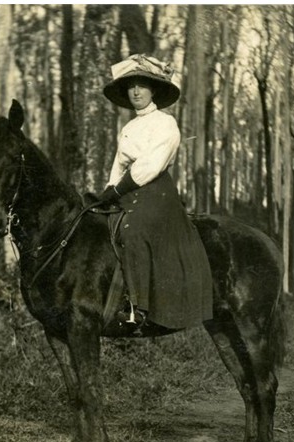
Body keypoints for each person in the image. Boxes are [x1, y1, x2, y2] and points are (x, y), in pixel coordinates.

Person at [97, 54, 213, 331]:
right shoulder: (128, 128)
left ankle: (139, 308)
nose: (136, 91)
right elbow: (118, 164)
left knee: (133, 229)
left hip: (155, 190)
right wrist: (108, 191)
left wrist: (119, 189)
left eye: (142, 85)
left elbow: (151, 164)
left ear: (154, 90)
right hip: (127, 190)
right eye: (131, 86)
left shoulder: (165, 123)